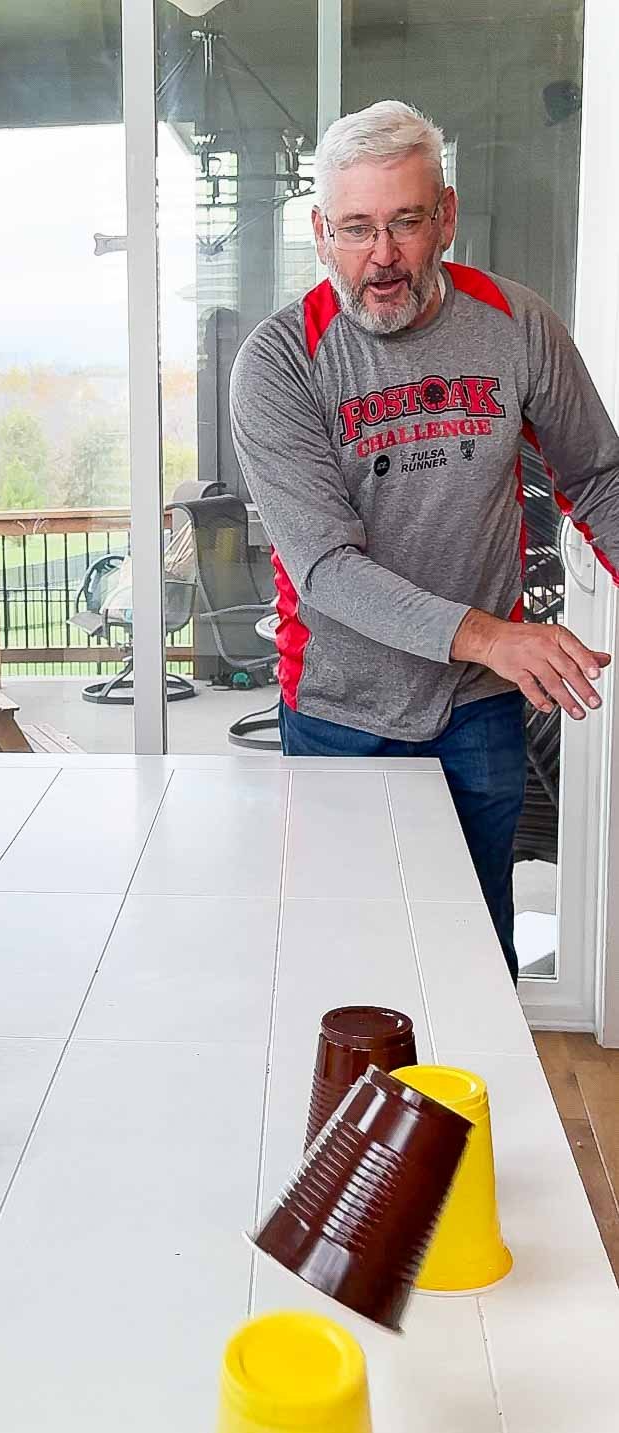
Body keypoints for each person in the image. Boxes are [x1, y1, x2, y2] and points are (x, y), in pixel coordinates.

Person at [231, 99, 619, 981]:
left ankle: (473, 1114)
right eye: (357, 228)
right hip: (339, 711)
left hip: (476, 711)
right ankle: (348, 1124)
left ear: (444, 215)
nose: (382, 256)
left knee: (473, 958)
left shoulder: (515, 325)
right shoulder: (281, 362)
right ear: (321, 229)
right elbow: (325, 567)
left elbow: (598, 475)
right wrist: (493, 634)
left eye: (405, 222)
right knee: (347, 968)